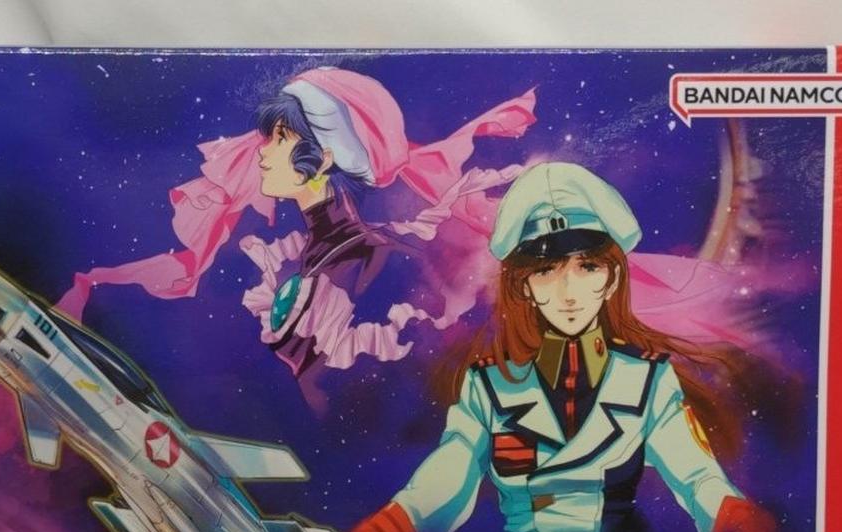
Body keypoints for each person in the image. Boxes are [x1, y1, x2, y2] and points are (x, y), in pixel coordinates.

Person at [349, 162, 779, 532]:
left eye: (587, 267)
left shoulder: (648, 381)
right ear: (524, 286)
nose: (569, 293)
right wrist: (392, 526)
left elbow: (696, 475)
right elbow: (450, 472)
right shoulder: (491, 388)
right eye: (546, 271)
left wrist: (732, 514)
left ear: (612, 277)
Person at [56, 67, 539, 411]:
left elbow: (364, 398)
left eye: (281, 139)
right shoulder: (306, 255)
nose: (263, 153)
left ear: (325, 157)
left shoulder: (368, 258)